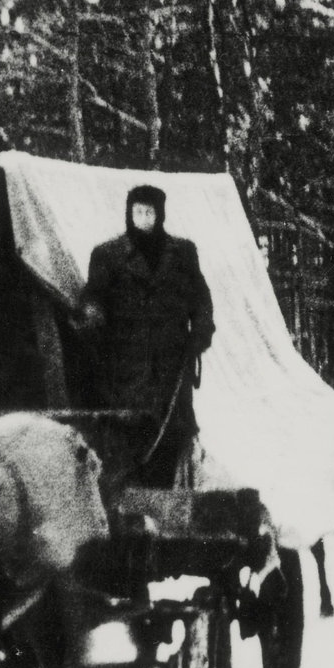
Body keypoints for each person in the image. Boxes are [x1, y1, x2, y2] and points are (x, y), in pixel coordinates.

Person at [81, 184, 215, 487]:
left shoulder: (182, 254)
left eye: (149, 211)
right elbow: (92, 297)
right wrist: (91, 315)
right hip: (127, 372)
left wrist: (201, 333)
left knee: (171, 440)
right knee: (128, 442)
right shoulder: (108, 256)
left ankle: (167, 507)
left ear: (161, 214)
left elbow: (201, 300)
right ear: (128, 213)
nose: (143, 217)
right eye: (137, 211)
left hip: (172, 371)